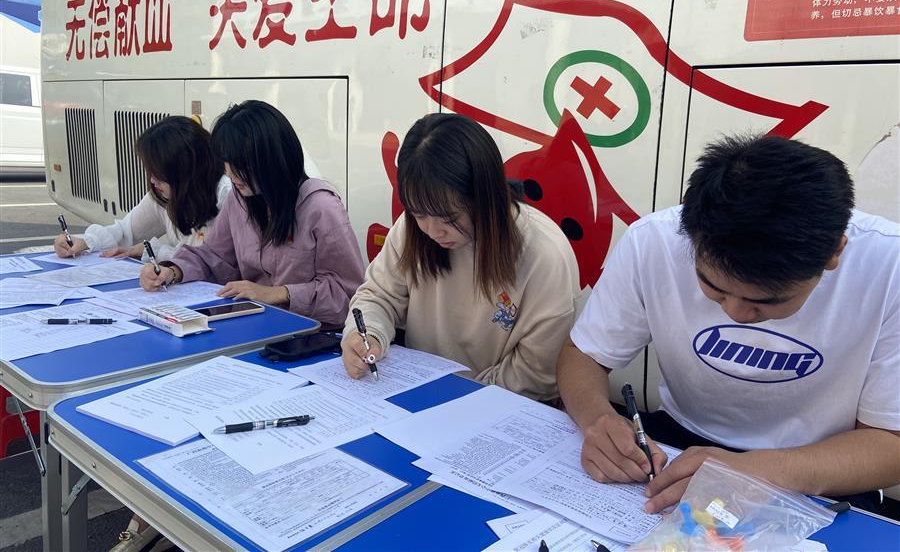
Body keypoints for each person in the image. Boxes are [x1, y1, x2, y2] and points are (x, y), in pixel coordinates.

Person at [558, 134, 899, 515]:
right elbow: (584, 355)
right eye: (714, 289)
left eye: (766, 302)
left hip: (820, 466)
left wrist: (765, 471)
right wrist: (597, 419)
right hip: (677, 444)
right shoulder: (654, 241)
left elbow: (891, 442)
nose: (735, 313)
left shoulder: (889, 268)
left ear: (835, 252)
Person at [341, 113, 586, 401]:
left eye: (449, 217)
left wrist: (459, 397)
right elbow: (378, 296)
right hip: (421, 395)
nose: (433, 231)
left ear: (485, 196)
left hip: (497, 406)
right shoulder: (411, 230)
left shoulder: (543, 255)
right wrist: (367, 334)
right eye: (419, 214)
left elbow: (535, 374)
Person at [139, 100, 364, 327]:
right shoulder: (239, 200)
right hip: (257, 324)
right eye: (226, 163)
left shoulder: (321, 207)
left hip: (311, 333)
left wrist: (278, 293)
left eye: (239, 164)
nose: (229, 173)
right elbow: (213, 256)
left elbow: (347, 294)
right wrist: (172, 271)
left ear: (269, 160)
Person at [54, 116, 230, 261]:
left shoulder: (226, 195)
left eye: (159, 174)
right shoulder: (163, 196)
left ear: (185, 170)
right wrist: (86, 241)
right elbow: (126, 231)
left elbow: (212, 263)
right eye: (150, 171)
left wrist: (156, 251)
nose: (153, 180)